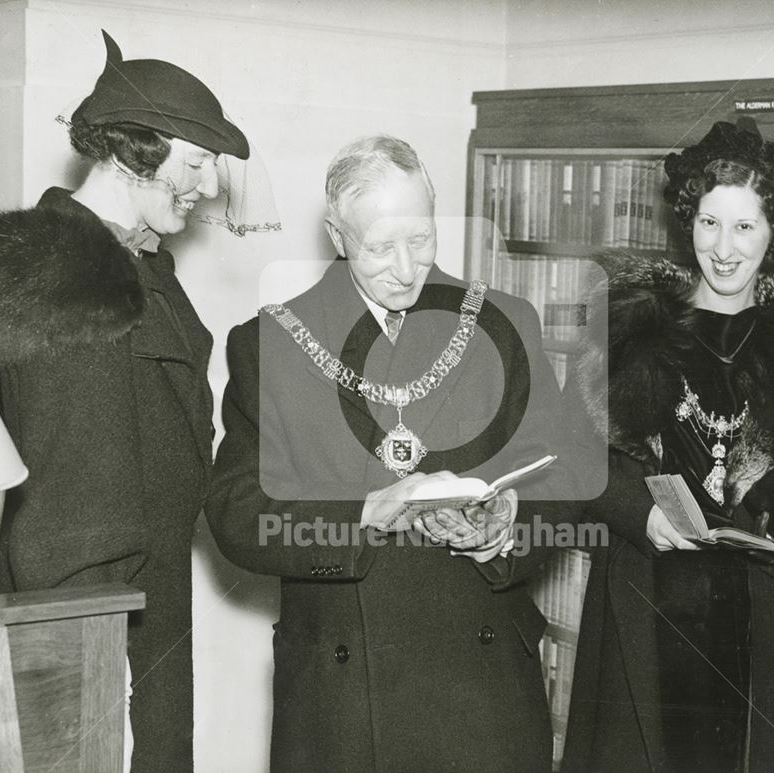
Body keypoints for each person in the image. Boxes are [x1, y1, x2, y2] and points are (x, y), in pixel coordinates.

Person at [206, 135, 573, 773]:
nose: (407, 269)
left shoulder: (505, 324)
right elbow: (239, 514)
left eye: (422, 239)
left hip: (484, 697)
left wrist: (508, 525)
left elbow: (562, 473)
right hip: (340, 707)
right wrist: (364, 516)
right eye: (380, 247)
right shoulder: (270, 343)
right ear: (337, 236)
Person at [0, 31, 250, 772]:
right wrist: (96, 669)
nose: (209, 187)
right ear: (137, 148)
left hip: (144, 606)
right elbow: (75, 520)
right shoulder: (66, 272)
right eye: (199, 160)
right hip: (95, 622)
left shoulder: (126, 259)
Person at [560, 120, 774, 772]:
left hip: (752, 618)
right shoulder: (630, 329)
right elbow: (573, 458)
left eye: (744, 227)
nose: (723, 248)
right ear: (687, 220)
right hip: (641, 599)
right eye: (708, 223)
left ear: (773, 233)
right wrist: (641, 512)